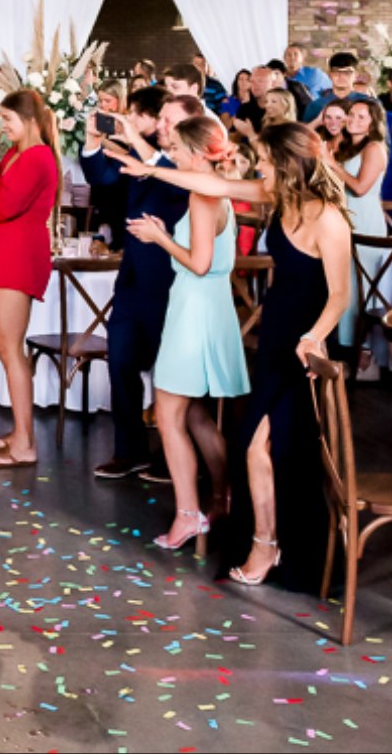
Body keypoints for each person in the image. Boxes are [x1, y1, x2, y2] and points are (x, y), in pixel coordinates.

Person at [114, 123, 351, 590]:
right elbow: (212, 184)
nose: (258, 165)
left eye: (264, 159)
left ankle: (269, 545)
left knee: (266, 447)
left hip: (304, 344)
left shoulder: (328, 218)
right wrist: (151, 169)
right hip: (276, 337)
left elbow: (340, 295)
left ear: (286, 162)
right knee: (256, 446)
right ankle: (266, 541)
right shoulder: (277, 196)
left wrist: (313, 338)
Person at [117, 116, 249, 551]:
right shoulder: (216, 190)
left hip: (195, 307)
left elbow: (199, 263)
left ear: (194, 153)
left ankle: (188, 514)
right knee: (195, 415)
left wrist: (158, 238)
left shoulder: (202, 195)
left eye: (175, 148)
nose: (170, 155)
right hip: (209, 306)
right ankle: (223, 497)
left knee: (169, 414)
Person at [81, 90, 202, 480]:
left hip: (172, 280)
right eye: (161, 119)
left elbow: (173, 187)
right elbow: (102, 177)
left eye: (170, 121)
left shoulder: (193, 165)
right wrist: (92, 143)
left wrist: (137, 142)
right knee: (120, 361)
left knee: (169, 372)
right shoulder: (146, 154)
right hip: (132, 277)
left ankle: (173, 457)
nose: (162, 126)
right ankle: (129, 451)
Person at [0, 90, 59, 469]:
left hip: (21, 252)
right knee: (6, 345)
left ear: (30, 120)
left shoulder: (38, 157)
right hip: (8, 248)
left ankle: (25, 443)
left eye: (8, 120)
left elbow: (5, 204)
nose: (3, 127)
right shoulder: (15, 154)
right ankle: (22, 431)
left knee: (9, 346)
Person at [328, 97, 388, 349]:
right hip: (343, 219)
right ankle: (345, 344)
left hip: (365, 219)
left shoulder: (374, 148)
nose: (352, 120)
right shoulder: (346, 146)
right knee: (343, 282)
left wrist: (332, 165)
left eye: (361, 117)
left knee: (361, 284)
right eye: (351, 114)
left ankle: (364, 348)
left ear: (373, 123)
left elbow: (361, 187)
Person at [303, 51, 361, 122]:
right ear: (329, 74)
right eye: (336, 72)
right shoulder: (316, 106)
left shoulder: (367, 103)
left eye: (347, 72)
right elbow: (305, 128)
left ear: (356, 75)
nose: (341, 76)